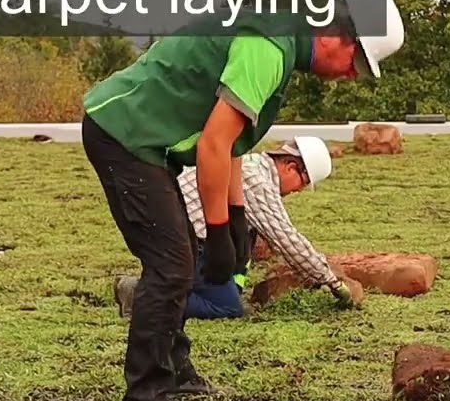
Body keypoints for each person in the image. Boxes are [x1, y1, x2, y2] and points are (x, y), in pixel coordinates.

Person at [79, 0, 405, 401]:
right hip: (123, 134)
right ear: (335, 34)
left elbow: (232, 144)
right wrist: (216, 232)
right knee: (172, 267)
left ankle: (175, 371)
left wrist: (233, 216)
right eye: (357, 62)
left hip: (145, 143)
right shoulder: (267, 46)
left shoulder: (279, 42)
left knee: (178, 262)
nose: (351, 76)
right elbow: (213, 144)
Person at [112, 135, 353, 321]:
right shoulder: (257, 181)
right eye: (303, 182)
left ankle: (171, 286)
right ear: (290, 166)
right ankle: (139, 295)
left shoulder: (251, 164)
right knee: (225, 307)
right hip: (182, 240)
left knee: (244, 240)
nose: (298, 190)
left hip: (176, 232)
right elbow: (287, 240)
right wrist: (332, 281)